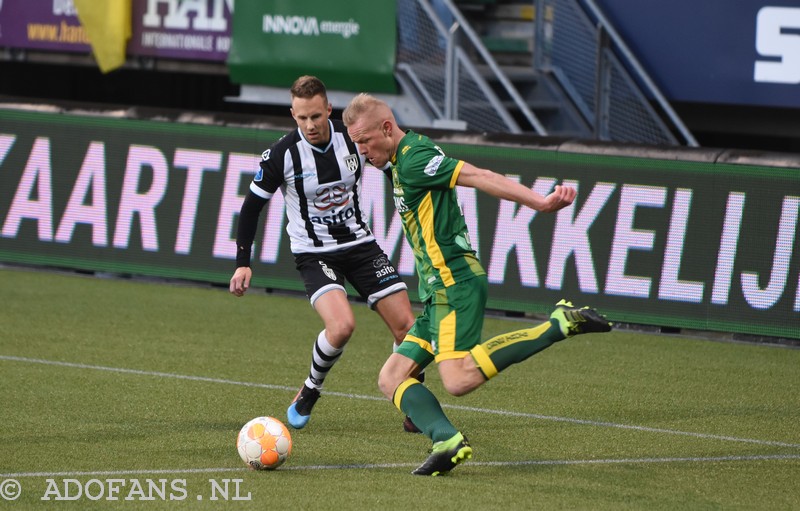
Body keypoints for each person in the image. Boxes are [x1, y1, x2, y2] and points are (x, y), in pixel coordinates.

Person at [342, 93, 613, 476]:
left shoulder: (417, 159)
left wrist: (540, 203)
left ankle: (559, 324)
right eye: (355, 143)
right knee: (391, 377)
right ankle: (447, 440)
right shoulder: (398, 159)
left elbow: (480, 176)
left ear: (387, 129)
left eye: (363, 141)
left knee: (458, 379)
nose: (361, 150)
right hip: (436, 294)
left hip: (455, 284)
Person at [229, 76, 416, 431]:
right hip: (315, 255)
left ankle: (413, 400)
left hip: (361, 246)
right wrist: (243, 263)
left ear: (329, 110)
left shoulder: (353, 139)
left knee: (409, 328)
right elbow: (251, 207)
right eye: (301, 118)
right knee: (343, 326)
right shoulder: (282, 154)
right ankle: (311, 389)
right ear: (293, 115)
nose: (310, 125)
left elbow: (391, 166)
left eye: (316, 116)